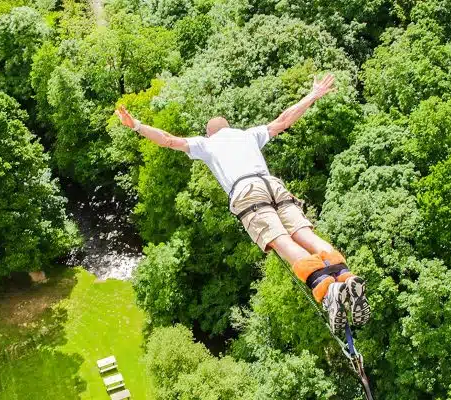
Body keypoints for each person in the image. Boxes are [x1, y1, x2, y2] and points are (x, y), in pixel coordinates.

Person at [115, 73, 369, 332]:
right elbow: (284, 120)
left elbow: (168, 139)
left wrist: (136, 124)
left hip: (247, 192)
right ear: (229, 126)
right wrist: (312, 95)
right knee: (303, 234)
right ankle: (346, 276)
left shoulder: (206, 143)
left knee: (282, 241)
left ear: (208, 132)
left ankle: (325, 288)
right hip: (272, 184)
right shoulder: (249, 135)